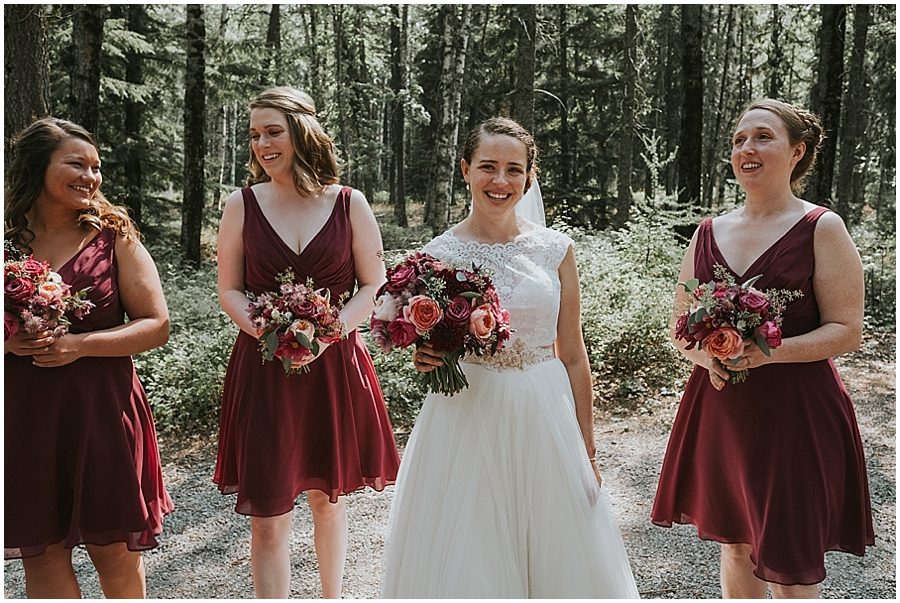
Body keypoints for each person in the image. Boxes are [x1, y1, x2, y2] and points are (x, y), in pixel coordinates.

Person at [381, 117, 638, 598]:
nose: (501, 181)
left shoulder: (555, 250)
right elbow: (428, 343)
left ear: (528, 177)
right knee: (470, 551)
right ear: (465, 170)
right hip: (467, 412)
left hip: (544, 412)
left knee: (556, 547)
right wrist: (428, 357)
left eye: (514, 170)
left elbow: (574, 354)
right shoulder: (439, 254)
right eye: (488, 167)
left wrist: (587, 446)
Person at [651, 99, 874, 598]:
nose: (746, 148)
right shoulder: (707, 232)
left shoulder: (822, 227)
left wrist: (766, 352)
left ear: (797, 152)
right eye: (738, 140)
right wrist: (709, 356)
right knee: (735, 547)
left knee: (789, 555)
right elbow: (679, 326)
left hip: (796, 412)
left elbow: (846, 330)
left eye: (763, 137)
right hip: (722, 406)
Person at [214, 86, 400, 599]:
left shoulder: (349, 202)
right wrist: (267, 329)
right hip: (265, 366)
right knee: (268, 514)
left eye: (273, 131)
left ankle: (330, 597)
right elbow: (228, 287)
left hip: (335, 365)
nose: (262, 144)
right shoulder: (241, 204)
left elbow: (373, 283)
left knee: (328, 498)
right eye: (254, 135)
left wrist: (328, 333)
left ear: (302, 132)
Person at [4, 118, 173, 598]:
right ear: (38, 167)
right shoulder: (5, 242)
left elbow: (156, 325)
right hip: (25, 418)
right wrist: (9, 344)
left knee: (115, 554)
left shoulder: (115, 237)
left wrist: (79, 346)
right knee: (43, 554)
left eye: (96, 167)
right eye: (76, 163)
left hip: (102, 413)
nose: (91, 176)